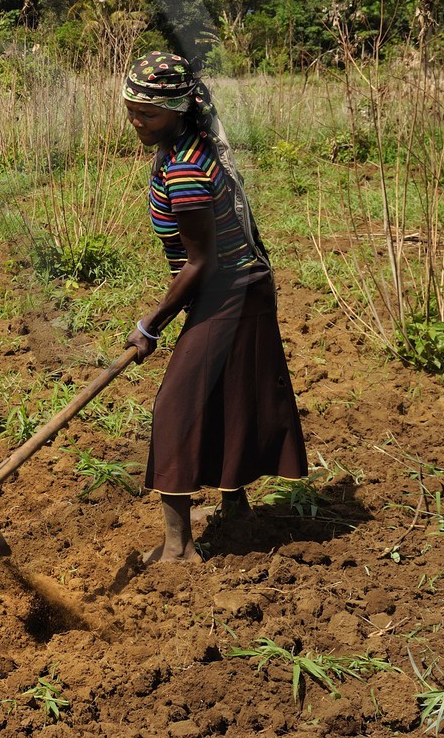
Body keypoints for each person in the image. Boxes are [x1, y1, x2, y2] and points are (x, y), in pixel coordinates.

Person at [121, 50, 308, 562]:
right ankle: (238, 509)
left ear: (180, 109)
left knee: (175, 408)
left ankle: (178, 549)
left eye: (149, 113)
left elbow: (200, 263)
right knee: (230, 397)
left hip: (230, 292)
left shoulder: (184, 167)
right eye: (131, 109)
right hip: (240, 288)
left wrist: (150, 326)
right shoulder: (187, 143)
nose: (137, 121)